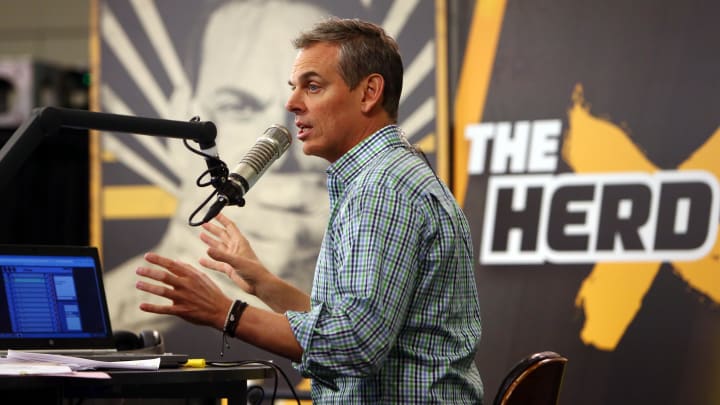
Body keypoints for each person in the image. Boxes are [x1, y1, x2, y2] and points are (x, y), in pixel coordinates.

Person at [135, 17, 483, 403]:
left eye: (312, 86)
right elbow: (343, 322)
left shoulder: (381, 188)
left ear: (369, 92)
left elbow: (354, 343)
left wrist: (225, 312)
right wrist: (262, 284)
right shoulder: (382, 177)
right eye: (294, 87)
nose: (292, 103)